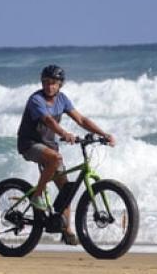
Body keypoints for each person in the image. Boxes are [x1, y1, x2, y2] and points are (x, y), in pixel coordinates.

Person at [16, 64, 115, 245]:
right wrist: (64, 134)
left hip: (50, 146)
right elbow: (47, 120)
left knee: (66, 191)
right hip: (29, 144)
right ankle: (37, 196)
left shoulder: (62, 99)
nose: (49, 86)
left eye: (53, 83)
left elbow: (81, 119)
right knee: (55, 158)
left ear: (60, 84)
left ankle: (66, 230)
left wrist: (104, 134)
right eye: (46, 82)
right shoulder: (36, 99)